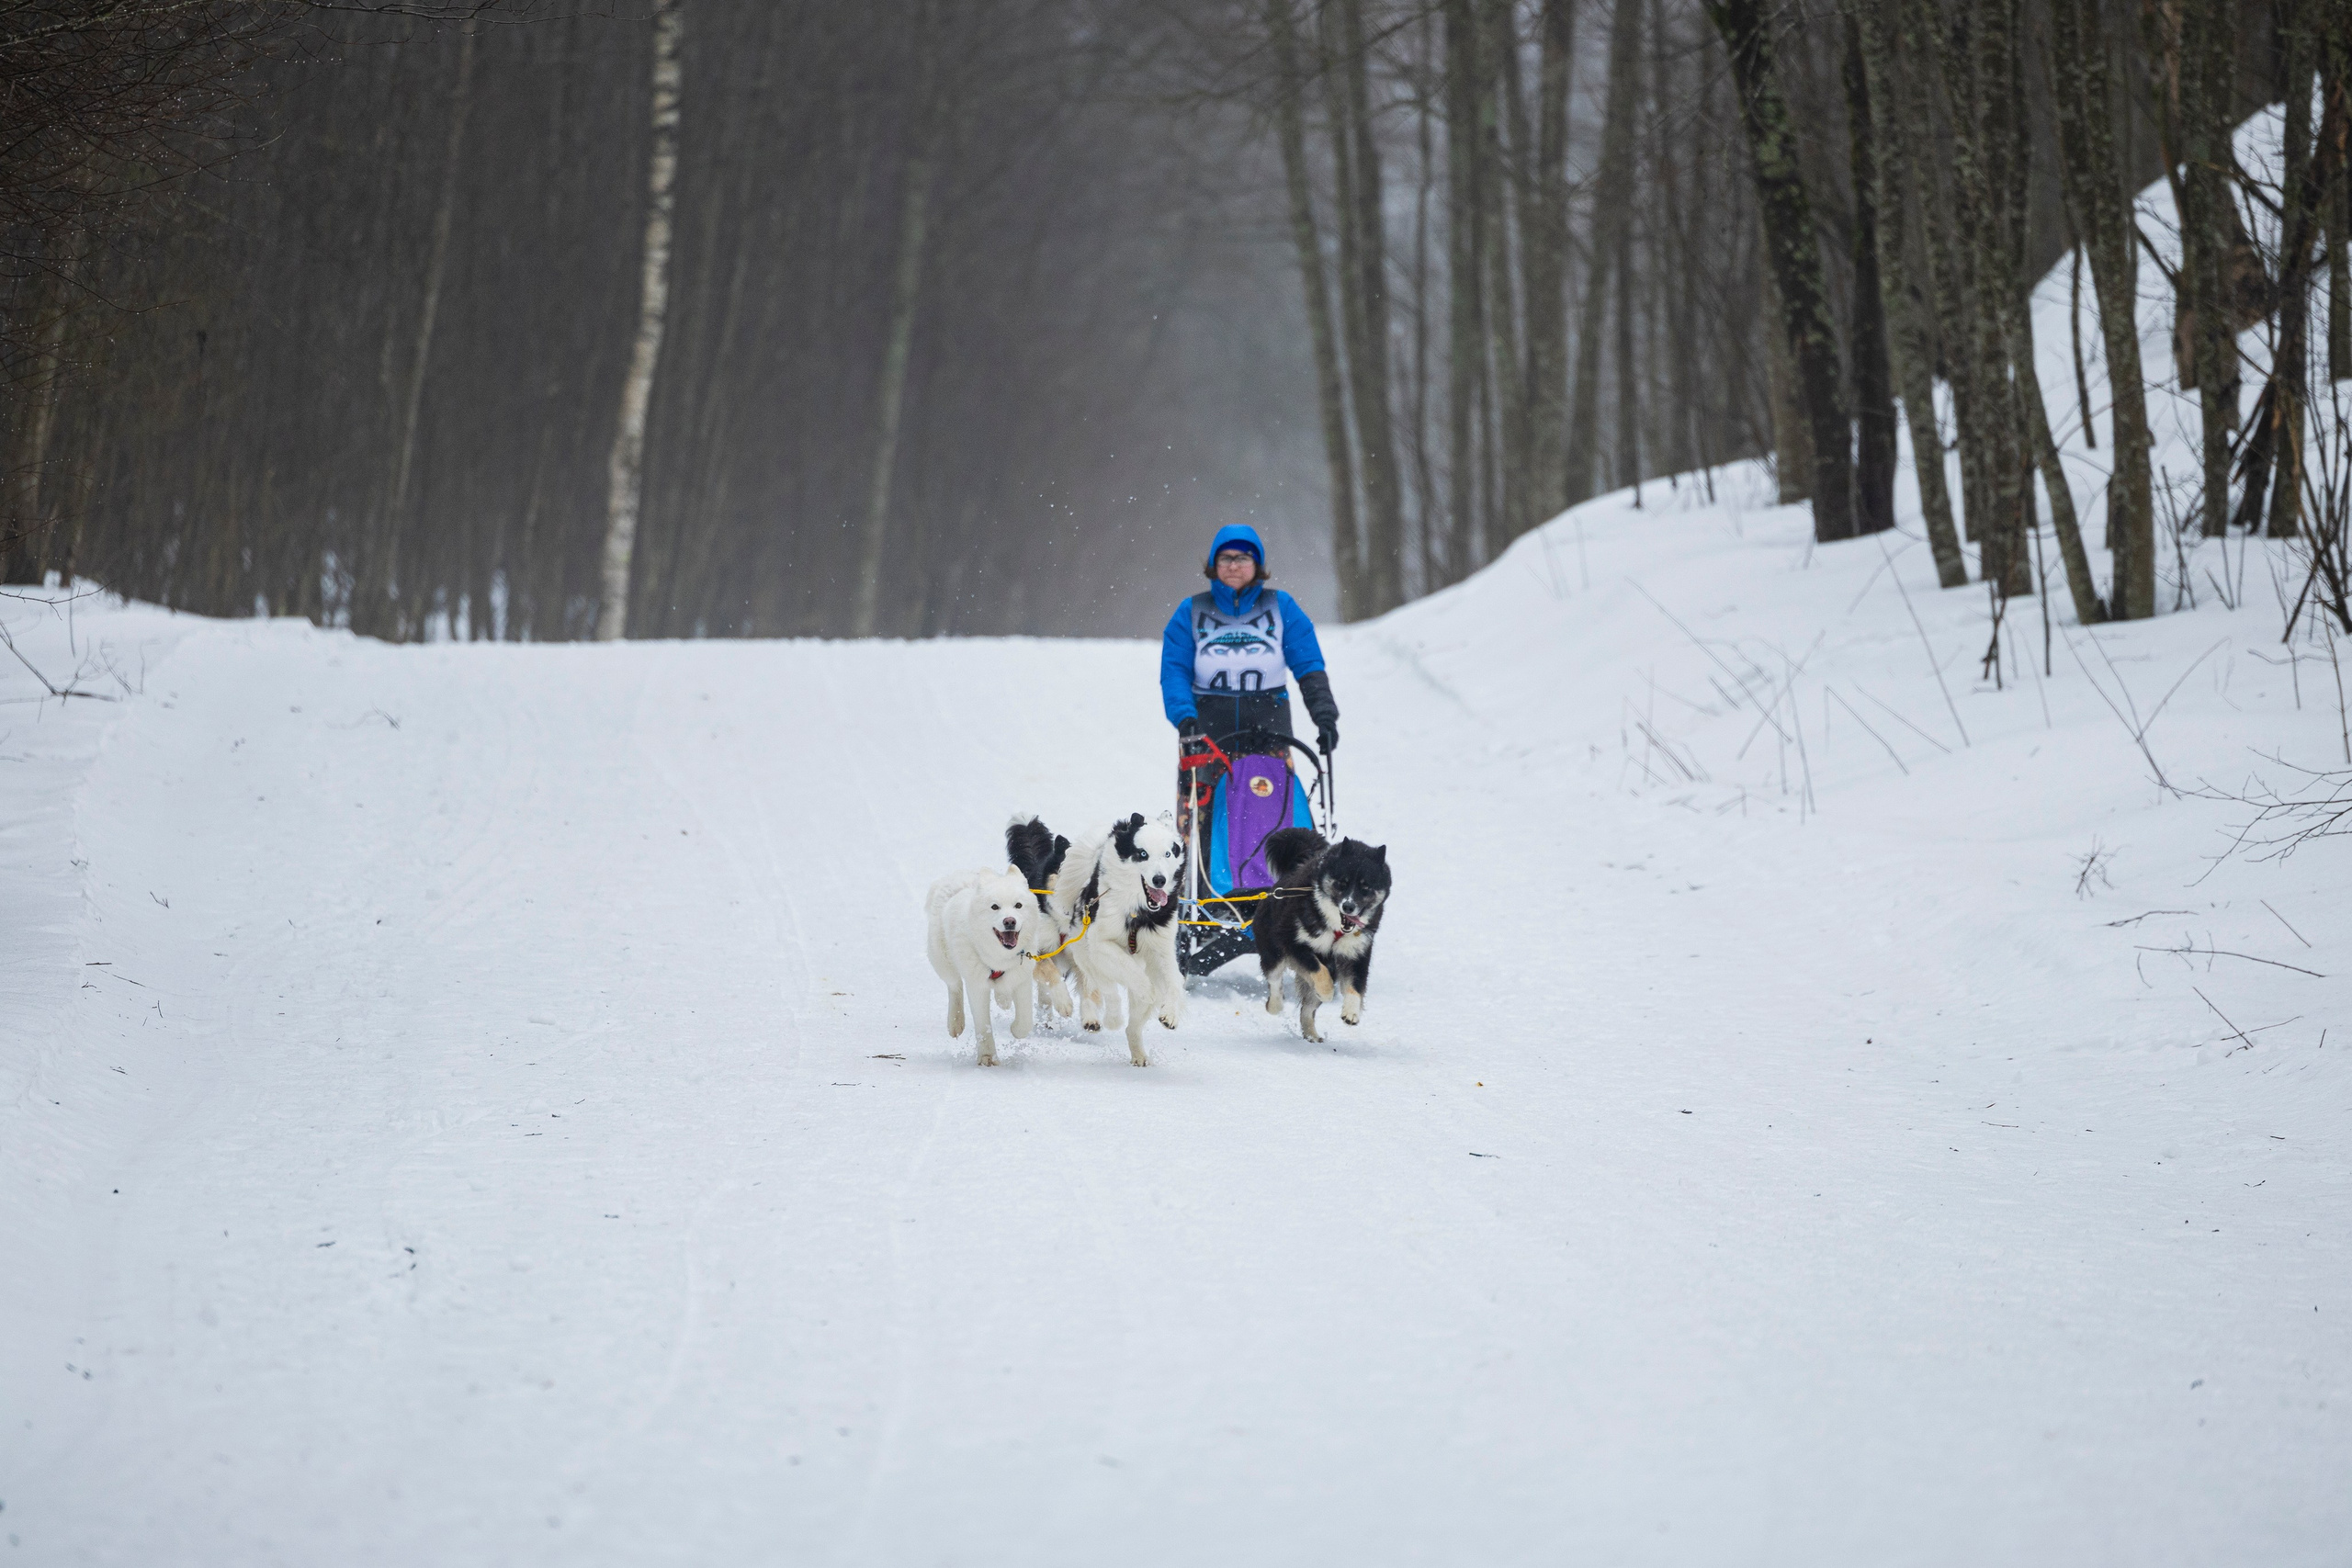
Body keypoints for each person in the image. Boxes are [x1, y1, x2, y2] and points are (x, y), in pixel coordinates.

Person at [1160, 524, 1339, 841]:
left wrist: (1324, 715)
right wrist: (1184, 718)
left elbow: (1308, 664)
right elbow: (1174, 671)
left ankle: (1281, 884)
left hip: (1269, 725)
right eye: (1225, 558)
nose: (1233, 565)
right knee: (1205, 826)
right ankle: (1200, 880)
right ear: (1214, 565)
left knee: (1274, 817)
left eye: (1242, 557)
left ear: (1257, 565)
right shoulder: (1190, 611)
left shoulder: (1282, 606)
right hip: (1207, 731)